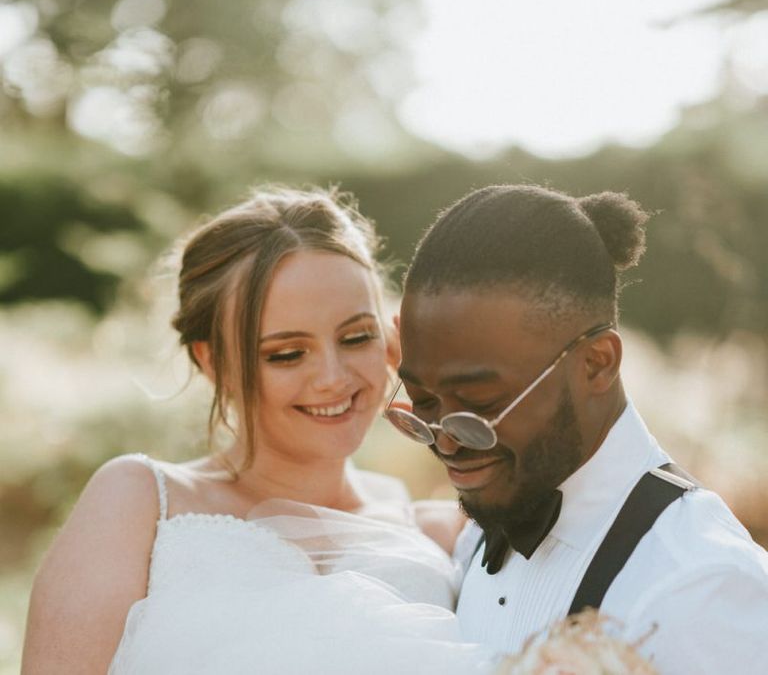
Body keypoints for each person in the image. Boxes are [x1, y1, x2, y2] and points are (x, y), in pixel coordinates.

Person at [21, 187, 500, 675]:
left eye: (356, 337)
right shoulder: (139, 501)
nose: (334, 377)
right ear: (213, 362)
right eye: (287, 353)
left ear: (390, 336)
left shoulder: (441, 532)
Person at [387, 184, 768, 674]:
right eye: (423, 403)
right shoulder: (487, 520)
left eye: (480, 404)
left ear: (596, 363)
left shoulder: (702, 585)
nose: (444, 440)